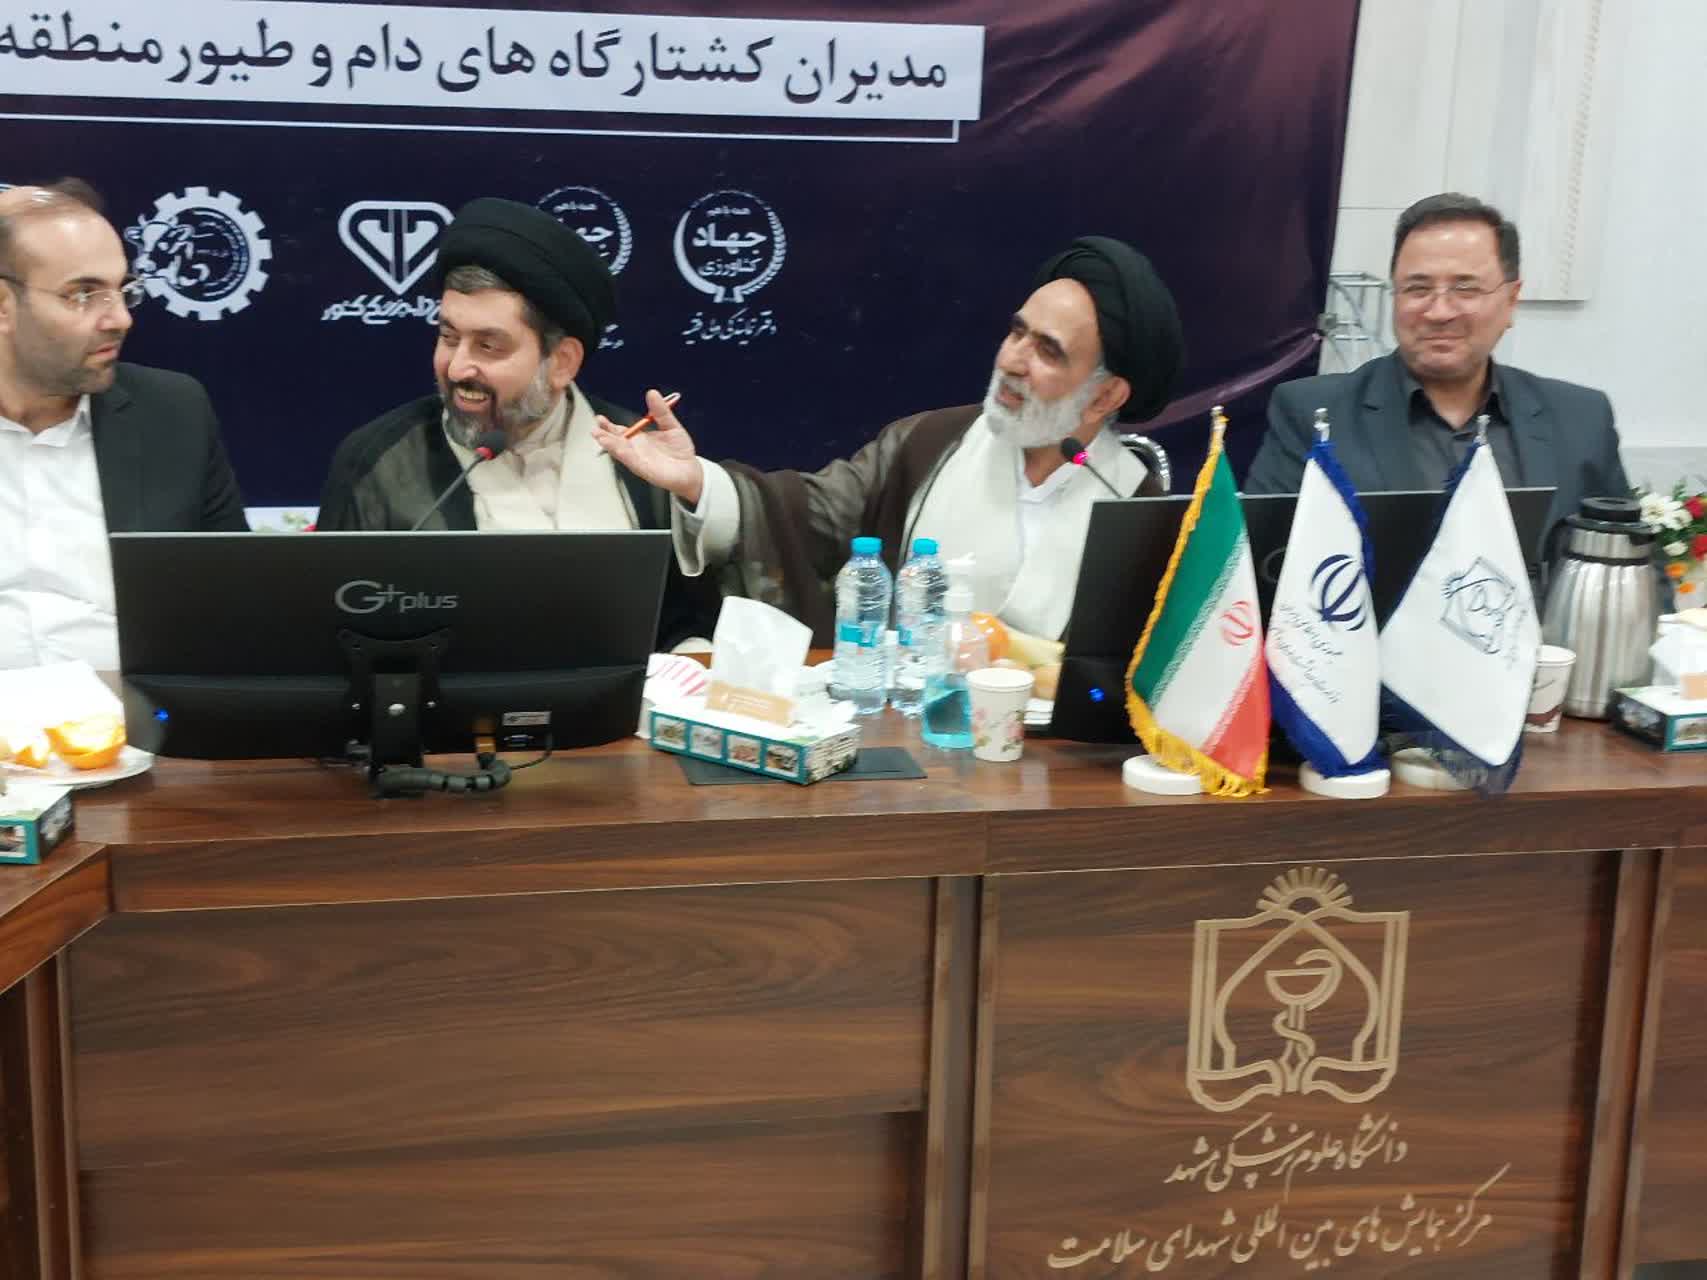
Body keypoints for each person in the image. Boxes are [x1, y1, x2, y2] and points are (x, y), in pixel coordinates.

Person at [592, 235, 1185, 644]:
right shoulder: (932, 443)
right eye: (1016, 333)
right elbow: (812, 512)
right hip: (910, 744)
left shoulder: (1136, 505)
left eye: (1047, 351)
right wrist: (697, 482)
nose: (1012, 360)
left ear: (1106, 397)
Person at [316, 197, 720, 650]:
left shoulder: (639, 458)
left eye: (488, 346)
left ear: (562, 362)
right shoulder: (378, 465)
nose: (457, 368)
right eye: (448, 337)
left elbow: (688, 626)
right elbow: (338, 636)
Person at [1246, 192, 1628, 537]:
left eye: (1465, 288)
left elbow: (1631, 565)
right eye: (1418, 288)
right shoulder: (1313, 415)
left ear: (1511, 300)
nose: (1440, 311)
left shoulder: (1581, 419)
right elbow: (1266, 565)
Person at [0, 179, 247, 672]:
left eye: (123, 290)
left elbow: (238, 603)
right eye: (83, 294)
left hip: (132, 711)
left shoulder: (172, 413)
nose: (120, 319)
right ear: (4, 306)